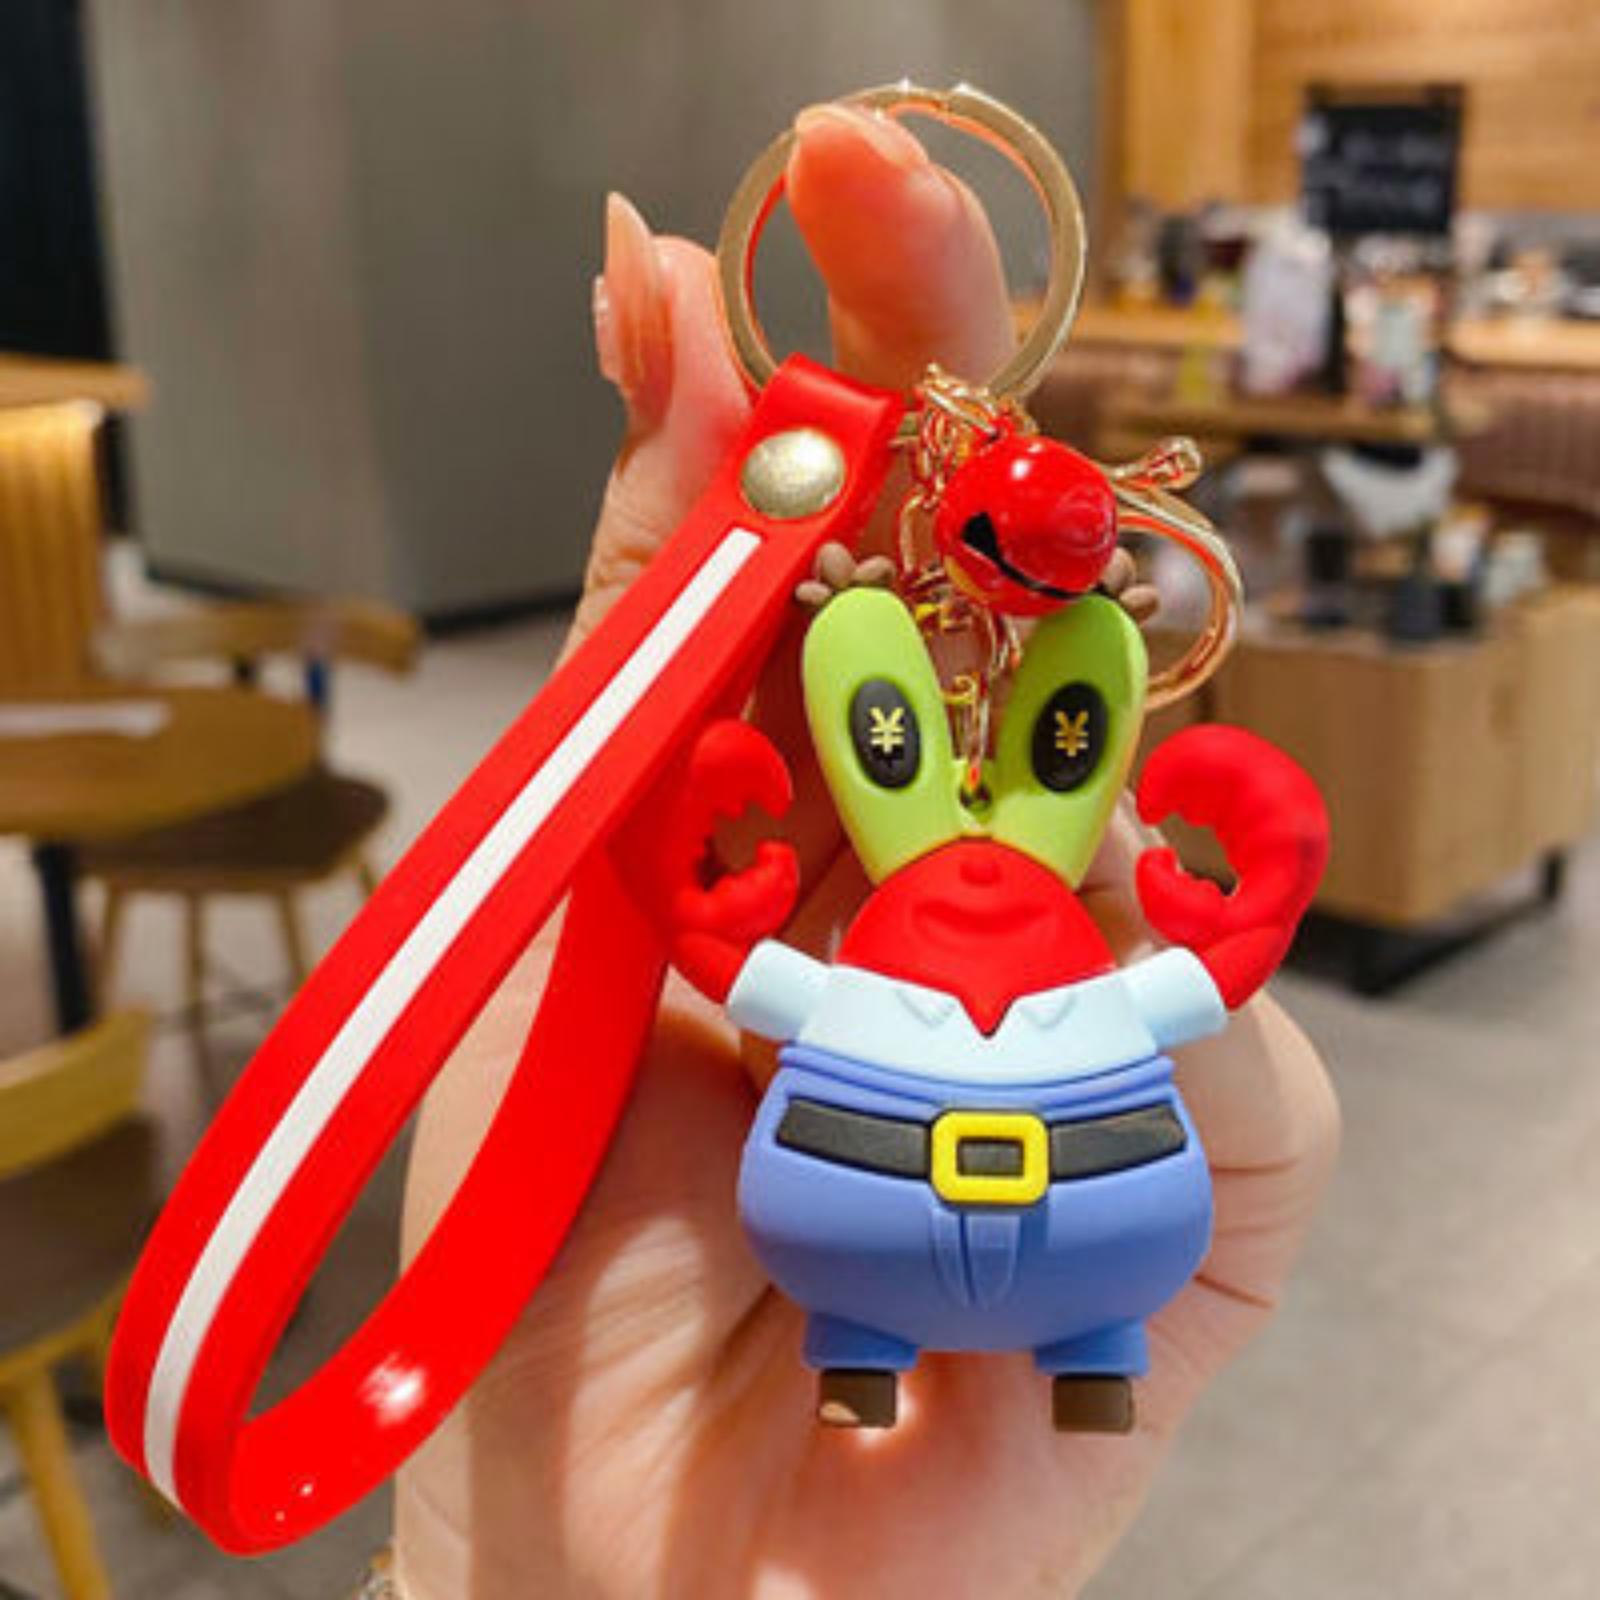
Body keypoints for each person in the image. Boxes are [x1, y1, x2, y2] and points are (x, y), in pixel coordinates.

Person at [388, 102, 1339, 1600]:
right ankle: (942, 1347)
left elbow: (742, 961)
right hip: (1056, 1192)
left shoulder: (890, 993)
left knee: (1058, 1263)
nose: (976, 872)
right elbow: (1202, 970)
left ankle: (1050, 1349)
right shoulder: (1032, 992)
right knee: (1069, 1246)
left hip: (931, 1185)